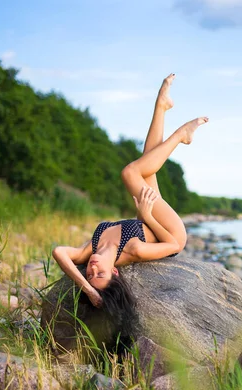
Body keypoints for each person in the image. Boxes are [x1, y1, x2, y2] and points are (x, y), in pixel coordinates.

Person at [52, 74, 208, 312]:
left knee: (145, 168)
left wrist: (89, 289)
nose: (92, 268)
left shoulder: (89, 250)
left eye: (90, 274)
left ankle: (161, 107)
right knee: (130, 173)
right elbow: (174, 245)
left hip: (146, 214)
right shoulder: (134, 250)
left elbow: (59, 252)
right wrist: (147, 217)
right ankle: (180, 135)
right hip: (168, 228)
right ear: (114, 271)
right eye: (100, 273)